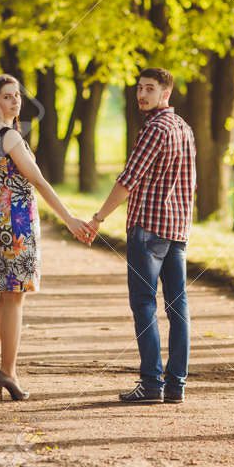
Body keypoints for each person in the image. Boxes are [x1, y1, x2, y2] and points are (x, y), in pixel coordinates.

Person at [0, 73, 93, 402]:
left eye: (17, 95)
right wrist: (69, 219)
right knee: (15, 297)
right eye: (7, 97)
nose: (15, 101)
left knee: (5, 295)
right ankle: (7, 372)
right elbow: (39, 181)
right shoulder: (10, 138)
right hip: (17, 224)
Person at [88, 67, 196, 404]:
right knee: (178, 308)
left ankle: (152, 383)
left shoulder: (155, 128)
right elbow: (190, 185)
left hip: (148, 231)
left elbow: (127, 179)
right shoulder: (185, 128)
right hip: (176, 230)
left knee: (145, 305)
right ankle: (175, 386)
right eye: (139, 89)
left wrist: (98, 218)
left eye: (150, 89)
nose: (142, 95)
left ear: (166, 94)